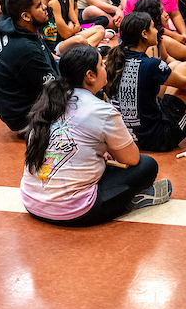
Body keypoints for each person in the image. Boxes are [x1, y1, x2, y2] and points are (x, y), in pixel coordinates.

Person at [21, 46, 172, 226]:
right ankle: (132, 200)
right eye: (101, 63)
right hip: (74, 212)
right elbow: (131, 159)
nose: (106, 66)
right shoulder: (101, 110)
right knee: (147, 165)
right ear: (90, 75)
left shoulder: (49, 100)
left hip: (31, 201)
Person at [106, 12, 186, 152]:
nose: (157, 31)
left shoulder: (113, 60)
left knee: (176, 68)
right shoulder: (150, 64)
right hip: (157, 139)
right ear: (144, 34)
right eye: (153, 27)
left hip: (127, 137)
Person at [0, 0, 60, 134]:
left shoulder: (24, 31)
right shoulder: (23, 48)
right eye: (39, 6)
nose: (45, 7)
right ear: (26, 16)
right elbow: (54, 89)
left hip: (31, 105)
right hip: (27, 120)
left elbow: (52, 66)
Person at [32, 0, 104, 55]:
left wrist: (71, 28)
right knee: (80, 40)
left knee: (100, 29)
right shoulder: (39, 10)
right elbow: (41, 42)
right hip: (54, 50)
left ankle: (85, 52)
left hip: (61, 41)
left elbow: (76, 24)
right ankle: (88, 52)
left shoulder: (51, 6)